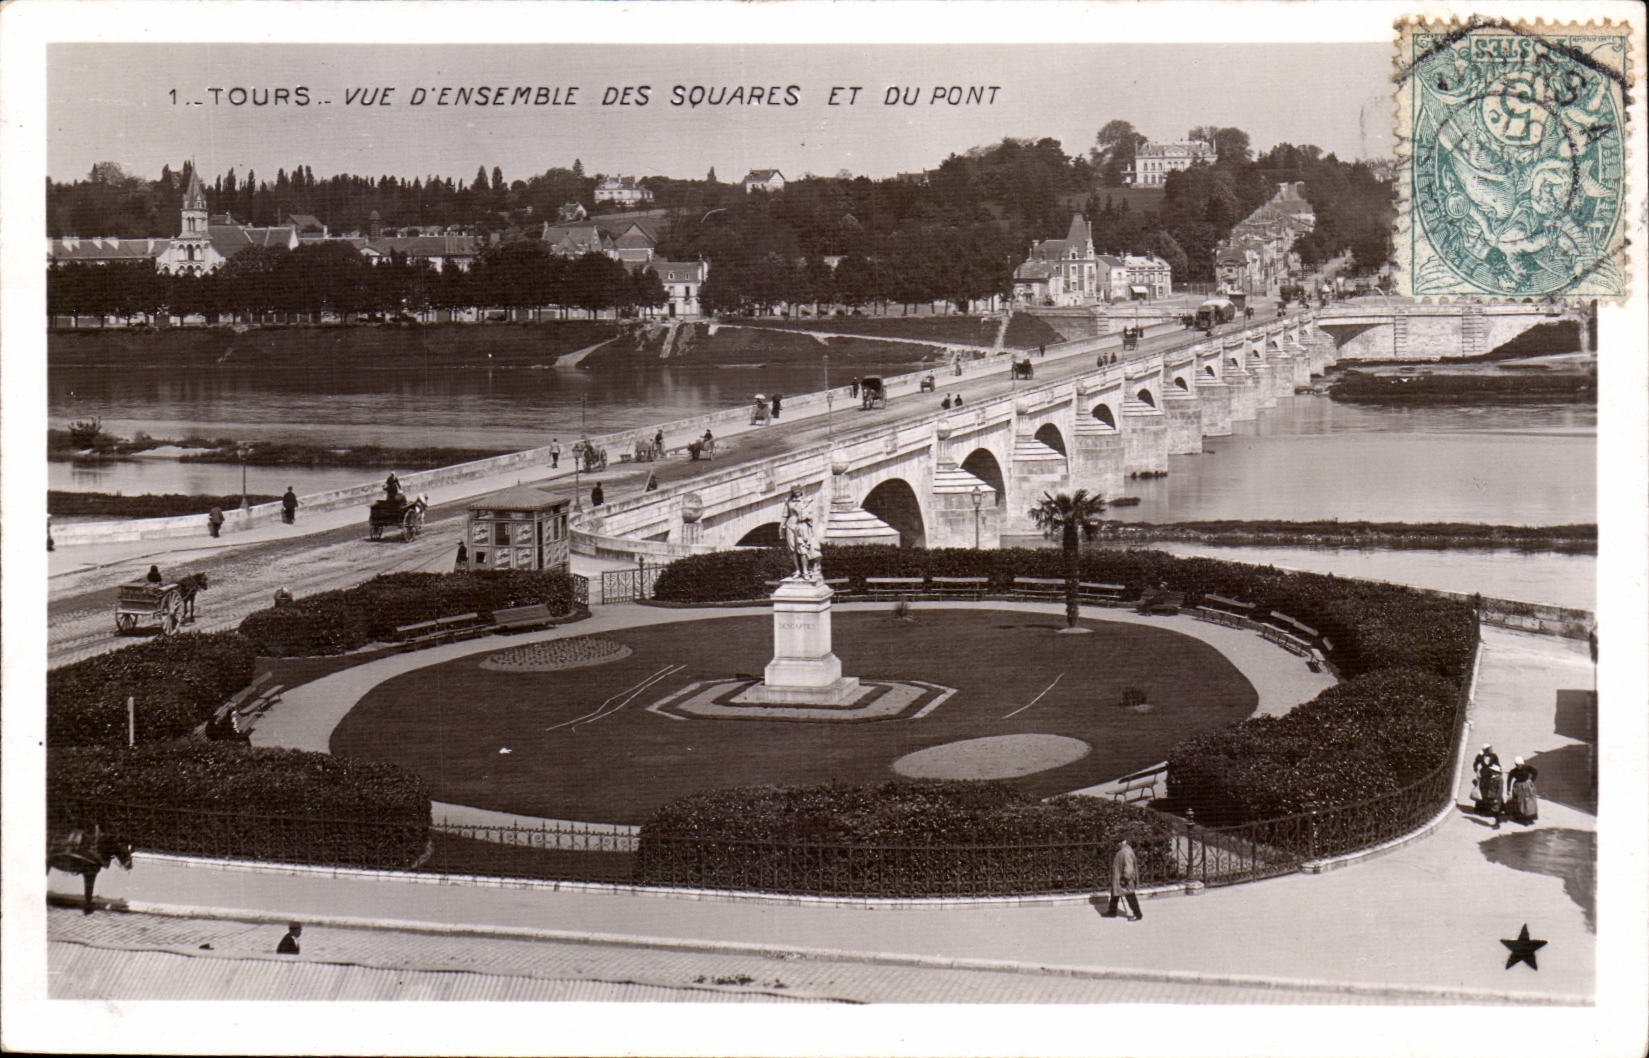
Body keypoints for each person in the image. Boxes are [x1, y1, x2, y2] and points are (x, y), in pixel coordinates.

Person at [1107, 839, 1142, 921]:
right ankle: (1112, 912)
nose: (1117, 845)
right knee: (1115, 895)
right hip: (1119, 878)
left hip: (1125, 880)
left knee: (1130, 896)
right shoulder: (1124, 851)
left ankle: (1138, 914)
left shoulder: (1125, 852)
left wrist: (1125, 878)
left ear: (1123, 842)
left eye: (1118, 843)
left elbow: (1129, 868)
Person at [1472, 744, 1504, 826]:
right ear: (1486, 749)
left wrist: (1499, 771)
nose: (1492, 749)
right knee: (1484, 792)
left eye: (1491, 748)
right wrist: (1477, 771)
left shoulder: (1494, 756)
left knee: (1492, 792)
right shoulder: (1481, 756)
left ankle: (1494, 810)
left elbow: (1497, 764)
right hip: (1484, 776)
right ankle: (1483, 810)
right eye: (1490, 748)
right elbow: (1475, 764)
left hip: (1491, 775)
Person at [1507, 756, 1539, 825]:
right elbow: (1509, 779)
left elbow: (1535, 772)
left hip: (1527, 786)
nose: (1518, 766)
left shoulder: (1527, 768)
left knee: (1529, 802)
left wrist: (1531, 780)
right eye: (1517, 765)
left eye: (1520, 765)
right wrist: (1508, 790)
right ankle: (1523, 819)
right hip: (1518, 787)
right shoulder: (1513, 771)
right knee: (1520, 803)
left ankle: (1530, 818)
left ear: (1522, 764)